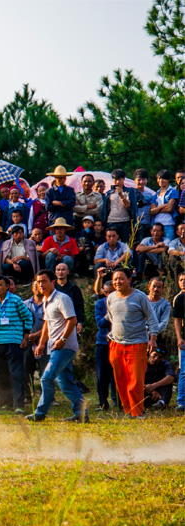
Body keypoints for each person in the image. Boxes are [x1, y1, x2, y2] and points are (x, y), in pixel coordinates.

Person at [26, 270, 86, 422]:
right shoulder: (47, 300)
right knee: (65, 383)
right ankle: (81, 414)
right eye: (38, 282)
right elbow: (47, 323)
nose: (41, 285)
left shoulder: (62, 298)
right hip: (54, 347)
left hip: (64, 347)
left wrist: (63, 339)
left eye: (44, 281)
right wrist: (40, 344)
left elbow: (72, 320)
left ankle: (40, 413)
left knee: (46, 378)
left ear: (53, 282)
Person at [106, 267, 159, 418]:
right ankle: (128, 409)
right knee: (121, 379)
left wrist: (153, 339)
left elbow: (152, 318)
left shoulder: (140, 297)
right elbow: (111, 317)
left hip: (137, 344)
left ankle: (137, 411)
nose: (117, 282)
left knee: (135, 380)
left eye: (121, 278)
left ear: (129, 280)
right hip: (116, 344)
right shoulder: (111, 297)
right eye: (115, 279)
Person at [0, 275, 33, 413]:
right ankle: (5, 403)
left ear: (7, 287)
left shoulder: (16, 301)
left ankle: (19, 406)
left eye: (0, 285)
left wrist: (25, 337)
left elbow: (28, 317)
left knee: (16, 374)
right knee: (0, 375)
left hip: (13, 342)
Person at [93, 275, 119, 411]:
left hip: (120, 341)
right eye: (106, 292)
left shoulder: (122, 301)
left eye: (111, 292)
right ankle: (103, 402)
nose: (109, 295)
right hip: (103, 342)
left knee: (118, 374)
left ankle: (119, 401)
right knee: (102, 375)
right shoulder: (100, 303)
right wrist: (111, 313)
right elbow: (101, 323)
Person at [102, 169, 139, 243]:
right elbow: (106, 209)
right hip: (111, 221)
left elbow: (128, 205)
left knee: (126, 244)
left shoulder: (129, 191)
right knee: (111, 243)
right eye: (115, 179)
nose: (117, 182)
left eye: (120, 179)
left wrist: (120, 194)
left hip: (125, 221)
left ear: (124, 179)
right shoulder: (108, 193)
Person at [172, 272, 185, 411]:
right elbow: (177, 319)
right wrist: (179, 337)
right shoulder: (180, 298)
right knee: (184, 371)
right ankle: (181, 402)